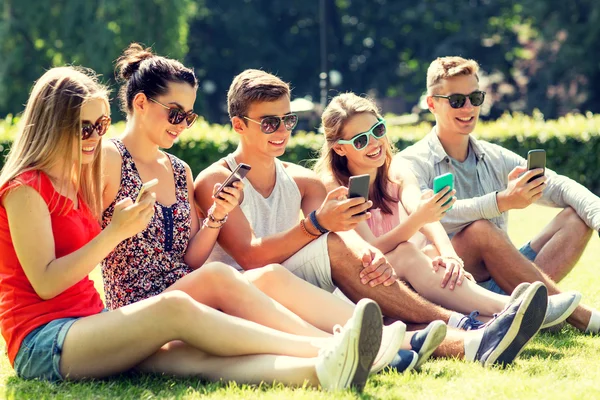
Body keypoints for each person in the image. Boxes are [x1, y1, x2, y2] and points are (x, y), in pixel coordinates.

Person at [0, 66, 383, 391]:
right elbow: (47, 283)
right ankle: (329, 346)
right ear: (53, 124)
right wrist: (114, 232)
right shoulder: (24, 189)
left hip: (92, 324)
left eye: (101, 125)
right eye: (86, 128)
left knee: (200, 358)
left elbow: (186, 256)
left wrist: (215, 214)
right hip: (44, 341)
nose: (97, 137)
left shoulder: (73, 182)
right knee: (177, 307)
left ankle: (324, 369)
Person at [194, 68, 549, 367]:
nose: (283, 131)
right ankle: (472, 325)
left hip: (302, 280)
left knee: (370, 284)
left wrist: (367, 253)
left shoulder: (302, 180)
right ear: (239, 125)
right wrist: (318, 225)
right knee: (342, 259)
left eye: (288, 119)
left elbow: (346, 231)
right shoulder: (215, 179)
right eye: (270, 123)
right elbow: (251, 255)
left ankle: (479, 333)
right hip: (248, 292)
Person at [101, 43, 409, 374]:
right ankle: (343, 346)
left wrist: (217, 215)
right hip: (137, 305)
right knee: (221, 275)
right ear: (141, 103)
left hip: (188, 292)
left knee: (270, 276)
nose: (183, 125)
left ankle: (395, 344)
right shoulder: (110, 157)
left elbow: (188, 260)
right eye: (176, 114)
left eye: (189, 117)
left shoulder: (179, 170)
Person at [314, 91, 579, 329]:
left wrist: (450, 255)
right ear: (339, 148)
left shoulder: (396, 169)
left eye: (378, 130)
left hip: (406, 275)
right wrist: (418, 219)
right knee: (408, 251)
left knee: (432, 255)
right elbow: (372, 250)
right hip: (363, 281)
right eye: (361, 141)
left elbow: (423, 213)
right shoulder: (334, 187)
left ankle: (499, 322)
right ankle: (514, 307)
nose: (374, 143)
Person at [398, 56, 600, 333]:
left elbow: (559, 185)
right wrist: (501, 201)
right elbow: (432, 214)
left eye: (475, 97)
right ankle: (579, 316)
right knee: (481, 230)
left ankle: (529, 310)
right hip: (453, 284)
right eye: (457, 100)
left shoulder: (494, 156)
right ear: (432, 103)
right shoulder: (411, 162)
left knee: (578, 217)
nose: (468, 108)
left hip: (506, 275)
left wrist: (598, 216)